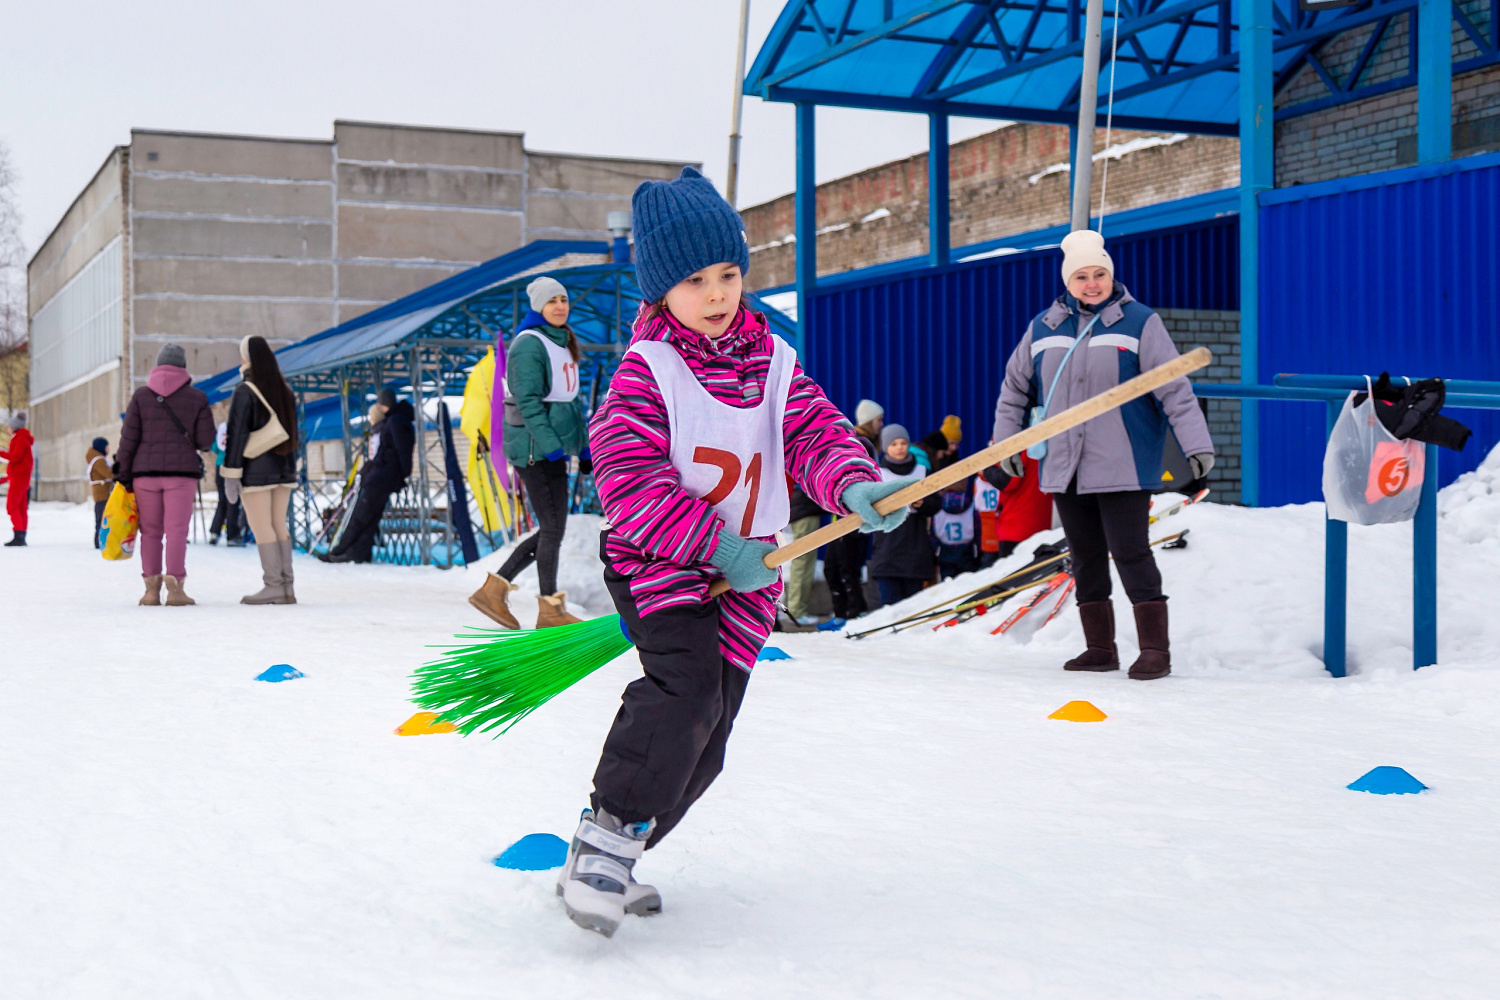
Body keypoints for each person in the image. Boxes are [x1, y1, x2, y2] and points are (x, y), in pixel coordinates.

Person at [556, 166, 911, 937]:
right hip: (662, 565)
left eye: (728, 273)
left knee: (708, 741)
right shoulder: (645, 376)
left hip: (746, 575)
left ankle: (627, 851)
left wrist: (853, 485)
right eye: (694, 280)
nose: (717, 292)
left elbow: (813, 431)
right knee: (684, 695)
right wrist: (716, 546)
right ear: (660, 291)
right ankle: (603, 840)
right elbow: (630, 484)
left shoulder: (774, 363)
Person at [992, 229, 1213, 680]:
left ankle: (1155, 650)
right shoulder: (1042, 328)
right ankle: (1100, 648)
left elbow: (1175, 389)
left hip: (1124, 463)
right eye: (1081, 277)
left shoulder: (1140, 323)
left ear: (1111, 276)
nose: (1092, 284)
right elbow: (1013, 391)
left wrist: (1197, 445)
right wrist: (1005, 445)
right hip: (1064, 465)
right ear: (1067, 282)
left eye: (1100, 275)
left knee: (1130, 552)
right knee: (1084, 556)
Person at [468, 275, 588, 630]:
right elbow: (529, 402)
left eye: (564, 300)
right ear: (538, 306)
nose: (560, 306)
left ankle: (496, 590)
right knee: (552, 530)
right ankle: (548, 609)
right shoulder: (528, 344)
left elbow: (571, 402)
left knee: (553, 530)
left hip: (555, 448)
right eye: (552, 301)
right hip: (535, 450)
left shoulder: (563, 341)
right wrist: (552, 447)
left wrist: (583, 447)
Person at [116, 344, 214, 605]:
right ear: (183, 366)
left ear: (157, 366)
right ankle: (176, 591)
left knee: (150, 533)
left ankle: (150, 592)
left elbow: (128, 439)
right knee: (177, 532)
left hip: (144, 475)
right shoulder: (197, 398)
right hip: (181, 475)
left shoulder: (141, 396)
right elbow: (206, 441)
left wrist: (123, 474)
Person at [222, 336, 300, 604]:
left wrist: (231, 474)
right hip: (285, 468)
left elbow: (237, 435)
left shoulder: (245, 390)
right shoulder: (285, 390)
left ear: (247, 358)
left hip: (256, 471)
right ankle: (286, 587)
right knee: (279, 525)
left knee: (261, 527)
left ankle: (273, 585)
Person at [320, 387, 414, 564]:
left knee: (360, 516)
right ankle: (356, 553)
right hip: (383, 476)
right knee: (369, 519)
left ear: (383, 404)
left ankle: (342, 551)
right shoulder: (399, 420)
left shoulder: (394, 422)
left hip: (380, 478)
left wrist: (397, 473)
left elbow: (398, 452)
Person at [867, 424, 941, 606]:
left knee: (912, 609)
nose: (899, 447)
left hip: (916, 553)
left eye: (903, 443)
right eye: (893, 444)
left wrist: (923, 504)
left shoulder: (922, 472)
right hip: (887, 553)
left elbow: (937, 503)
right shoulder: (877, 475)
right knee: (890, 610)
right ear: (885, 448)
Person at [981, 452, 1054, 559]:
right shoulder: (1044, 444)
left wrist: (986, 470)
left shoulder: (1019, 446)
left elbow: (1008, 481)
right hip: (1040, 524)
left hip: (1015, 526)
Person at [932, 483, 979, 579]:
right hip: (968, 552)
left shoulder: (937, 507)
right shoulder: (972, 506)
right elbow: (978, 530)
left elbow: (933, 535)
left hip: (945, 552)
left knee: (947, 585)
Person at [208, 422, 245, 547]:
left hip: (220, 465)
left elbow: (214, 447)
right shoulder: (240, 427)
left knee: (222, 500)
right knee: (233, 501)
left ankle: (215, 532)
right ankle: (232, 534)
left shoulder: (222, 428)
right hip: (233, 466)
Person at [1, 411, 32, 546]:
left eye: (9, 426)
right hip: (20, 477)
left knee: (12, 505)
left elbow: (15, 457)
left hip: (19, 477)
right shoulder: (21, 438)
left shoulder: (19, 439)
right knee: (20, 506)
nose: (8, 428)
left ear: (14, 426)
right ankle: (21, 534)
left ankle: (18, 534)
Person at [86, 436, 113, 548]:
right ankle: (99, 542)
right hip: (102, 494)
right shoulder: (99, 460)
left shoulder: (97, 458)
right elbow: (108, 474)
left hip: (101, 494)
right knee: (102, 519)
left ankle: (101, 541)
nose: (108, 449)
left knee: (101, 519)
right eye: (107, 447)